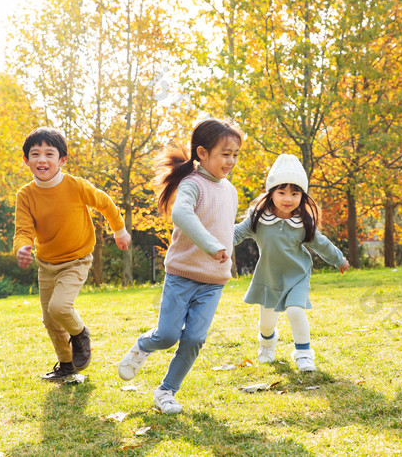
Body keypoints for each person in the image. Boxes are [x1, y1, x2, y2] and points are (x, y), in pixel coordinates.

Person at [118, 118, 242, 414]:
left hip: (214, 281)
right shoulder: (192, 185)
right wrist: (212, 246)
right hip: (182, 275)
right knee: (168, 335)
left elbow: (227, 230)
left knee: (195, 339)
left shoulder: (231, 191)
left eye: (236, 154)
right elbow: (182, 216)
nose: (231, 161)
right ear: (202, 152)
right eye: (225, 154)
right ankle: (143, 346)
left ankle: (166, 392)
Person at [13, 127, 131, 382]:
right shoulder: (25, 195)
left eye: (49, 154)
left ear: (62, 159)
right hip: (46, 264)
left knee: (60, 307)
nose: (41, 160)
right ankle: (67, 367)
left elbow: (105, 203)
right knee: (50, 320)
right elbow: (23, 230)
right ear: (26, 160)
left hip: (76, 260)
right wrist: (22, 248)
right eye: (35, 154)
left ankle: (80, 333)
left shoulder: (76, 186)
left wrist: (119, 230)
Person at [234, 154, 349, 372]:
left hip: (297, 275)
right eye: (282, 192)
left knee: (296, 311)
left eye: (295, 193)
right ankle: (267, 345)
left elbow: (321, 244)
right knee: (266, 324)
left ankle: (303, 354)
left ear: (302, 196)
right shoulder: (258, 218)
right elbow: (236, 233)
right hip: (269, 277)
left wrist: (338, 259)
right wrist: (215, 243)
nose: (288, 198)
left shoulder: (303, 222)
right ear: (271, 193)